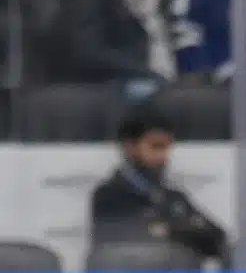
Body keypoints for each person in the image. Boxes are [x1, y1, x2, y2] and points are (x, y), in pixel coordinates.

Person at [89, 107, 229, 264]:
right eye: (156, 146)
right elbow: (132, 239)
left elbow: (217, 237)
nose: (163, 156)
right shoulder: (108, 195)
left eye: (167, 147)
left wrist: (168, 229)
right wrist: (187, 228)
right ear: (130, 147)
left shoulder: (174, 197)